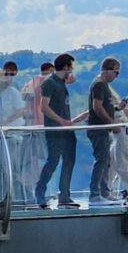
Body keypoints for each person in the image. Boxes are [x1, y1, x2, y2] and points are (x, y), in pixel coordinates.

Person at [34, 53, 88, 209]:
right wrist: (60, 121)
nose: (72, 70)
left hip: (66, 129)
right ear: (66, 67)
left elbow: (73, 80)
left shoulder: (60, 82)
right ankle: (40, 192)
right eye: (70, 66)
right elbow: (44, 107)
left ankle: (65, 194)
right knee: (53, 160)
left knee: (69, 160)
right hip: (55, 130)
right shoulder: (50, 83)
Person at [86, 57, 124, 205]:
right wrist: (111, 123)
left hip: (102, 129)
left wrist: (117, 108)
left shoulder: (102, 85)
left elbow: (103, 106)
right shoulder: (100, 84)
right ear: (108, 70)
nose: (116, 76)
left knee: (106, 161)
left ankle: (104, 192)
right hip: (98, 129)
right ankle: (95, 194)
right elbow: (97, 107)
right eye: (116, 72)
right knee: (101, 160)